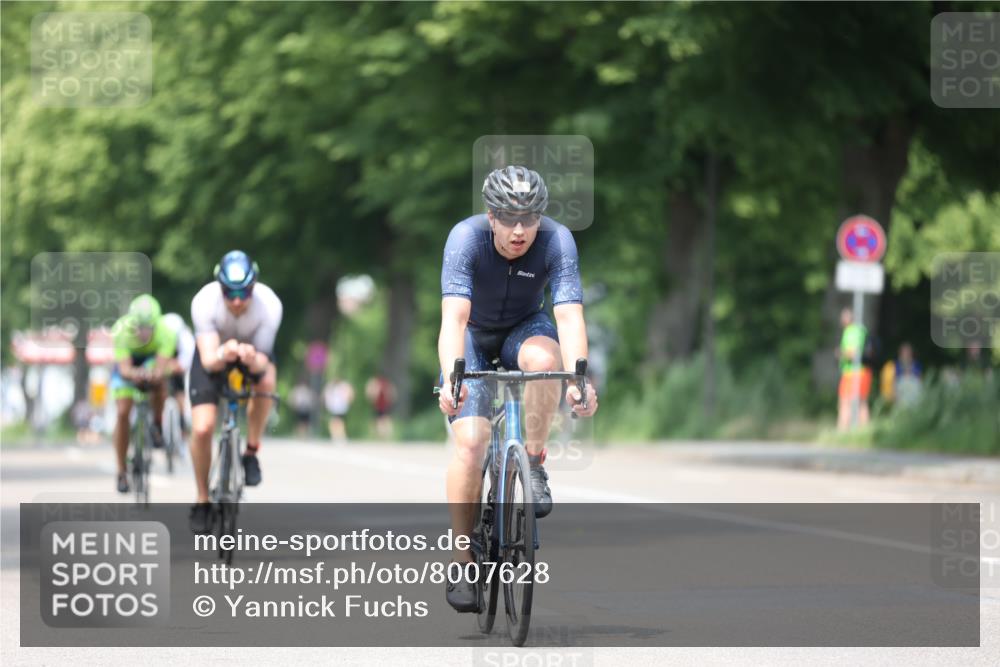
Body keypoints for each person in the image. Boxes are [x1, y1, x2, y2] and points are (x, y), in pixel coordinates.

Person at [436, 165, 598, 612]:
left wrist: (579, 380)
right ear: (491, 215)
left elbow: (568, 316)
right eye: (509, 218)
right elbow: (454, 318)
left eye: (530, 218)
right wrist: (452, 378)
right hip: (473, 336)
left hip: (524, 330)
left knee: (546, 363)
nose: (520, 230)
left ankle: (534, 460)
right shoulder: (465, 238)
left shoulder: (557, 240)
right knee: (471, 444)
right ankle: (462, 560)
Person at [188, 250, 283, 533]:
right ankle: (202, 500)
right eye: (230, 293)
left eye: (244, 292)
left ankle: (251, 451)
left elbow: (263, 362)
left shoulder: (269, 305)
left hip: (252, 356)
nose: (238, 301)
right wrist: (224, 353)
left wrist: (251, 358)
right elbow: (208, 360)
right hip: (214, 356)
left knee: (266, 383)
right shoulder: (205, 301)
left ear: (254, 286)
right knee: (203, 428)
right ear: (220, 288)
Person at [109, 295, 177, 493]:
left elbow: (161, 368)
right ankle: (121, 471)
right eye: (139, 327)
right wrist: (136, 374)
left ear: (156, 324)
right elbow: (124, 370)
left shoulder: (167, 332)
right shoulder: (121, 331)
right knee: (123, 412)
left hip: (151, 361)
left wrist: (153, 374)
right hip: (129, 365)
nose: (144, 332)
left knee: (161, 384)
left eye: (148, 328)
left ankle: (156, 424)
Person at [161, 312, 196, 436]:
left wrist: (170, 367)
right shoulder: (161, 335)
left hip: (181, 363)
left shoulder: (186, 339)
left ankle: (182, 422)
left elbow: (185, 363)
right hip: (167, 359)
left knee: (181, 389)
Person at [836, 307, 870, 430]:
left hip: (852, 372)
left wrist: (841, 353)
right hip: (863, 371)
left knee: (845, 402)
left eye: (843, 317)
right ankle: (865, 431)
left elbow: (854, 353)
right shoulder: (861, 330)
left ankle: (842, 431)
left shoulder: (851, 331)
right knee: (861, 402)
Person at [880, 342, 923, 408]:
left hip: (914, 399)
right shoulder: (892, 366)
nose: (906, 355)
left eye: (908, 352)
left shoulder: (916, 366)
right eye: (904, 352)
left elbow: (920, 383)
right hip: (898, 398)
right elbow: (887, 386)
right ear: (900, 353)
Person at [323, 378, 355, 442]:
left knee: (338, 422)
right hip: (335, 407)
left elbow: (349, 394)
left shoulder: (342, 386)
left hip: (340, 407)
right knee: (337, 422)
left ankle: (339, 435)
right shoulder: (332, 387)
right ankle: (337, 435)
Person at [365, 375, 396, 439]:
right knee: (385, 420)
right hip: (385, 404)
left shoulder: (377, 383)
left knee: (381, 420)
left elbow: (371, 394)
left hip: (381, 405)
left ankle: (382, 435)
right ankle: (385, 435)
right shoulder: (386, 384)